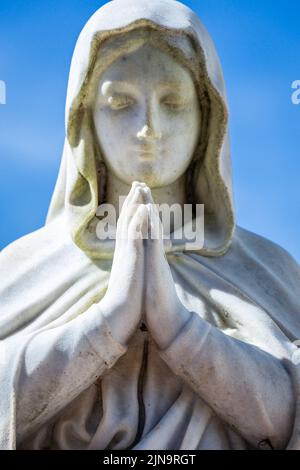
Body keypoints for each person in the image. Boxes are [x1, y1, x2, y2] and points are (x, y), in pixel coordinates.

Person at [1, 0, 300, 450]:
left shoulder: (270, 271)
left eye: (173, 102)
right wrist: (108, 321)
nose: (149, 128)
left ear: (208, 119)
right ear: (86, 117)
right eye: (121, 102)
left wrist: (180, 329)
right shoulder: (23, 269)